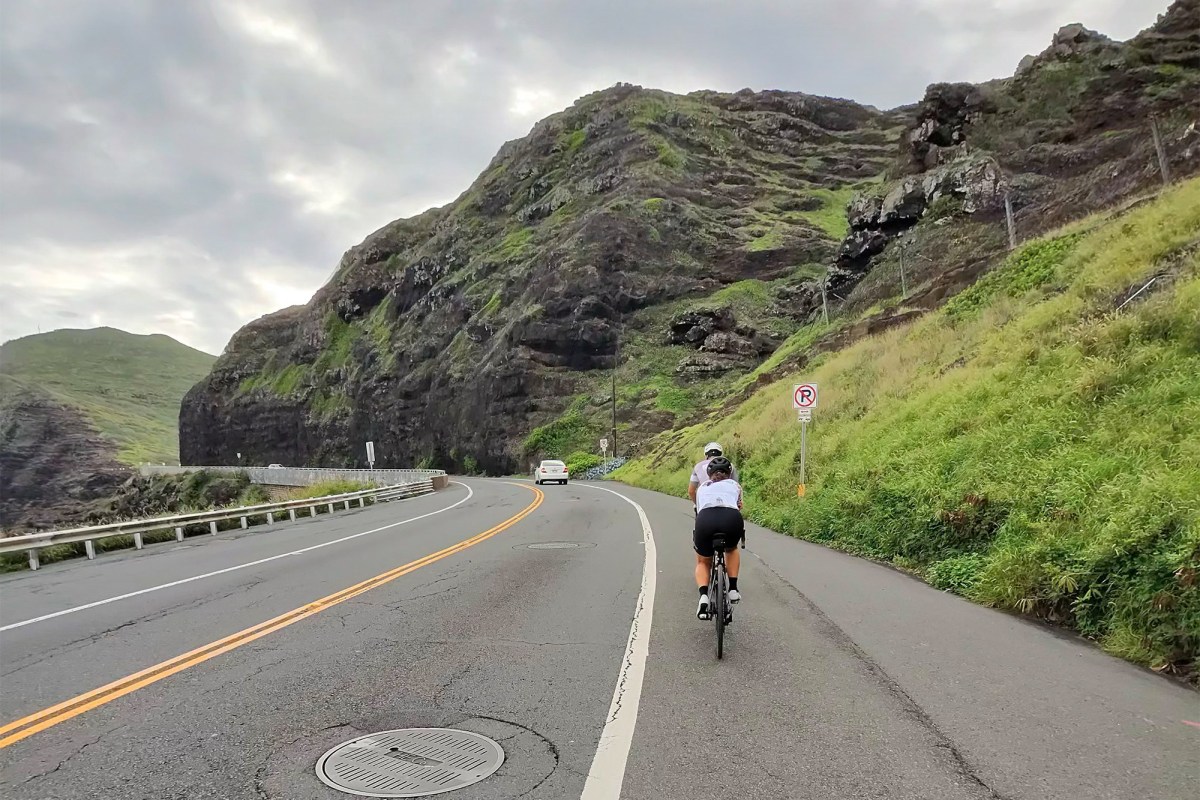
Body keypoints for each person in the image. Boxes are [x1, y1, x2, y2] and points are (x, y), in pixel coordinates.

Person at [693, 455, 744, 620]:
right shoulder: (735, 485)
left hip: (706, 519)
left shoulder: (702, 487)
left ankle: (703, 596)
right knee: (732, 549)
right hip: (731, 518)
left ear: (710, 474)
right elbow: (739, 506)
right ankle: (733, 589)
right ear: (729, 474)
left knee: (703, 561)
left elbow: (699, 509)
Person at [688, 442, 738, 507]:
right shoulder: (730, 465)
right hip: (727, 503)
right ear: (721, 454)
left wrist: (698, 505)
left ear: (706, 455)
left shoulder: (698, 466)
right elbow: (736, 487)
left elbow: (691, 491)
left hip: (706, 504)